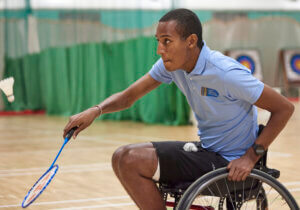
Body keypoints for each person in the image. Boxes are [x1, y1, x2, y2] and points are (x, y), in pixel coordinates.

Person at [63, 8, 294, 210]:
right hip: (207, 152)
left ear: (191, 41)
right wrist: (96, 110)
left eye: (166, 41)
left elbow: (284, 108)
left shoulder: (224, 72)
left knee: (130, 160)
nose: (160, 50)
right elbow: (129, 96)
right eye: (158, 41)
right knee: (121, 156)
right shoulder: (173, 66)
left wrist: (250, 157)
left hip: (230, 164)